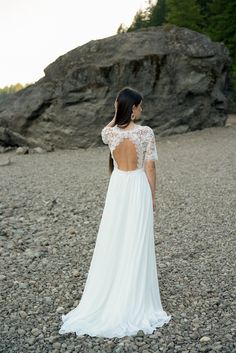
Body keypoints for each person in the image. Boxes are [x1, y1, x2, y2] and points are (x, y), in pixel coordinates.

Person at [59, 87, 171, 338]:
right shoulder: (145, 133)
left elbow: (108, 128)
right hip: (137, 185)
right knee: (137, 238)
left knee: (115, 237)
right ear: (132, 108)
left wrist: (116, 114)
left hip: (118, 186)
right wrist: (152, 196)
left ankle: (111, 288)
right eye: (139, 106)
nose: (142, 110)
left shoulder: (109, 133)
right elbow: (150, 167)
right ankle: (133, 293)